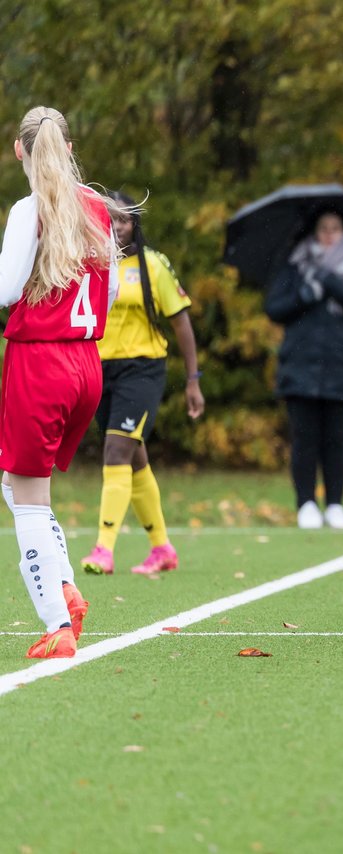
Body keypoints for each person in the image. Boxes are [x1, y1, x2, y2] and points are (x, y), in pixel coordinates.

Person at [0, 106, 121, 658]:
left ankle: (57, 625)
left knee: (26, 498)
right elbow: (112, 292)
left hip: (40, 364)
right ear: (69, 148)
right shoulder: (96, 207)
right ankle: (66, 589)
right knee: (18, 483)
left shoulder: (29, 210)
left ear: (20, 151)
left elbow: (6, 291)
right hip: (86, 364)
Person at [79, 191, 204, 577]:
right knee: (134, 456)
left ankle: (103, 549)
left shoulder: (153, 265)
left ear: (135, 224)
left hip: (143, 369)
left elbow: (181, 321)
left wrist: (193, 379)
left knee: (117, 449)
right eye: (110, 219)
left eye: (124, 220)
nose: (117, 227)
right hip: (102, 368)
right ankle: (162, 547)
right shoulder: (92, 264)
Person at [265, 210, 343, 529]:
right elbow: (275, 308)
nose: (329, 234)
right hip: (299, 363)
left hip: (341, 363)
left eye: (335, 228)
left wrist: (331, 282)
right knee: (304, 437)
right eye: (323, 229)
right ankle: (306, 504)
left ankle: (336, 504)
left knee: (336, 438)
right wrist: (305, 295)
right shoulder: (295, 263)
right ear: (314, 233)